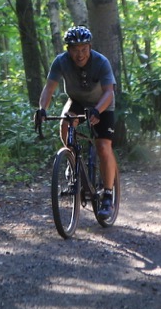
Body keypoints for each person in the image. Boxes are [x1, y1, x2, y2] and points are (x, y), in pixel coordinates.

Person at [35, 26, 118, 218]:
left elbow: (108, 92)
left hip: (102, 103)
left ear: (89, 47)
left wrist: (98, 110)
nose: (79, 54)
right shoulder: (61, 62)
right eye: (74, 49)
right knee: (65, 122)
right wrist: (42, 109)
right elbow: (49, 88)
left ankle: (107, 195)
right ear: (68, 49)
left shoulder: (101, 62)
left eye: (83, 49)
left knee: (104, 147)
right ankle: (71, 159)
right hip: (77, 101)